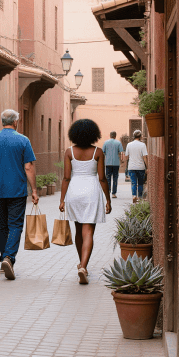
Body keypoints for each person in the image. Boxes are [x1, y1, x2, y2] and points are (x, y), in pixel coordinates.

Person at [0, 109, 38, 281]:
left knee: (2, 225)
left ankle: (4, 258)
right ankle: (9, 257)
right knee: (15, 225)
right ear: (16, 122)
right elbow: (28, 167)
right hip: (17, 190)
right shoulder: (23, 140)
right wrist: (34, 190)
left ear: (2, 121)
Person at [59, 119, 111, 285]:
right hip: (91, 191)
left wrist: (62, 200)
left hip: (74, 191)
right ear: (93, 134)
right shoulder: (98, 152)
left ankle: (81, 263)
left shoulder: (69, 152)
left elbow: (66, 178)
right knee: (88, 232)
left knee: (78, 230)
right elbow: (102, 178)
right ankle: (83, 266)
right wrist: (108, 199)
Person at [124, 130, 149, 203]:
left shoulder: (129, 145)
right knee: (140, 183)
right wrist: (147, 167)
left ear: (133, 136)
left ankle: (134, 196)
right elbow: (145, 157)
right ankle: (140, 197)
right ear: (140, 136)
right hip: (141, 167)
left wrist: (126, 166)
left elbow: (126, 157)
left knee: (133, 183)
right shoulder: (143, 145)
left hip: (131, 167)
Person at [102, 131, 124, 198]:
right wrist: (121, 161)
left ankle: (108, 192)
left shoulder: (106, 142)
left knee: (108, 178)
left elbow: (103, 152)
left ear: (110, 135)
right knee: (115, 178)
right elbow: (121, 153)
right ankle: (114, 193)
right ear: (115, 136)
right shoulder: (118, 143)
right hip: (116, 163)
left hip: (108, 163)